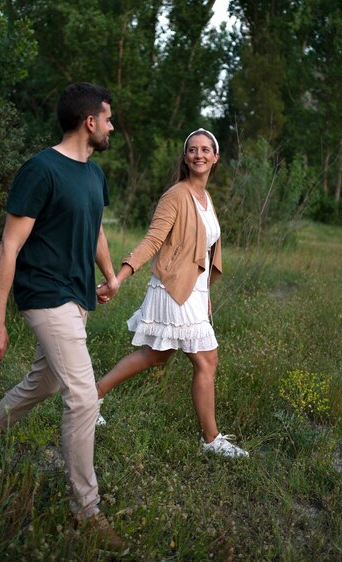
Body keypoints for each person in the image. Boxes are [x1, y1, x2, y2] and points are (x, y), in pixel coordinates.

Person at [0, 82, 126, 550]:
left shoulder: (94, 175)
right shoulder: (41, 170)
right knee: (82, 396)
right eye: (108, 118)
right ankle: (86, 511)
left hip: (77, 296)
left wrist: (110, 274)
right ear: (89, 122)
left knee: (46, 382)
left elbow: (94, 226)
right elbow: (9, 245)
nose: (112, 126)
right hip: (44, 295)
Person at [95, 128, 249, 458]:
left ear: (215, 157)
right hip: (172, 292)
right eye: (192, 150)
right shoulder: (176, 196)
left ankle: (92, 396)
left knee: (157, 355)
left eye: (206, 149)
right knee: (207, 360)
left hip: (193, 292)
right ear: (185, 157)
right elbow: (152, 240)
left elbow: (203, 252)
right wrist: (119, 276)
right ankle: (211, 440)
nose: (199, 154)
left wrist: (204, 290)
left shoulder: (206, 199)